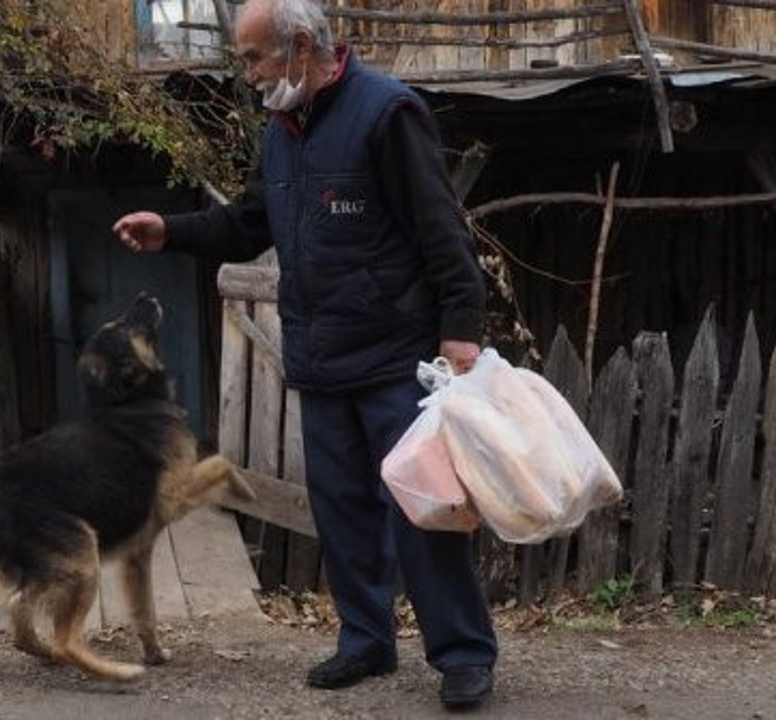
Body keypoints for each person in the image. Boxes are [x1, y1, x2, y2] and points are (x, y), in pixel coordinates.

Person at [112, 0, 498, 710]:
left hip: (395, 355)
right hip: (321, 359)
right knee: (343, 509)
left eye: (256, 57)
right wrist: (171, 230)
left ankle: (463, 654)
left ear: (298, 47)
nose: (251, 74)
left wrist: (461, 327)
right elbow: (249, 222)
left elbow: (442, 228)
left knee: (425, 509)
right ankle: (366, 642)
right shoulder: (281, 132)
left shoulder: (387, 114)